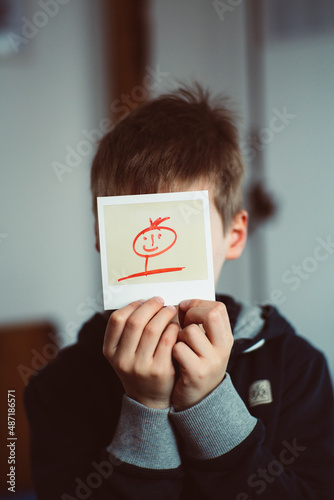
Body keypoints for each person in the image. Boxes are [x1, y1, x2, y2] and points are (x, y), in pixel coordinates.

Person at [24, 85, 334, 500]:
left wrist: (209, 406)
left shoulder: (295, 366)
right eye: (132, 229)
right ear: (103, 237)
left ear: (234, 235)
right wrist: (146, 410)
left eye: (181, 230)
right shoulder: (58, 389)